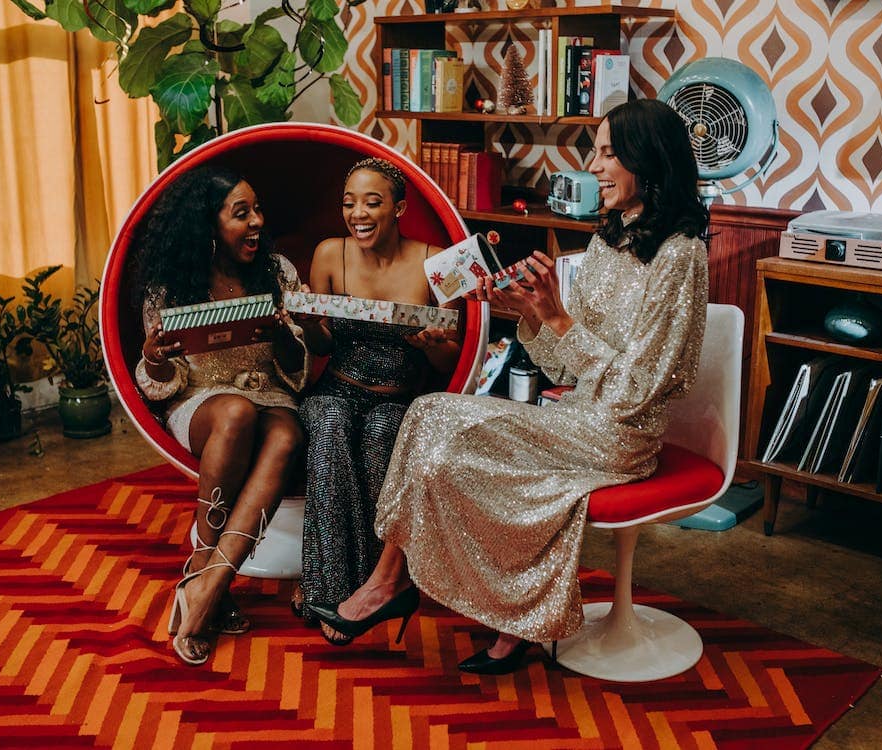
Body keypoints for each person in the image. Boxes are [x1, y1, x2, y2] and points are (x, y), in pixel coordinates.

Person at [306, 98, 710, 674]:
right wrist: (528, 313)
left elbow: (639, 389)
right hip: (577, 414)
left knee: (444, 431)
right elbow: (565, 371)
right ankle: (395, 580)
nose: (593, 166)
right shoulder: (609, 239)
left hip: (622, 437)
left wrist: (562, 320)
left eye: (608, 153)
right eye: (595, 150)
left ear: (650, 161)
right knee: (426, 413)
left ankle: (430, 595)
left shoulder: (681, 256)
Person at [133, 165, 308, 666]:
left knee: (285, 436)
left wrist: (280, 337)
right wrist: (153, 357)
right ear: (209, 226)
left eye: (257, 210)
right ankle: (203, 574)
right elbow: (160, 383)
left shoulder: (277, 272)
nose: (256, 222)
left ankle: (209, 586)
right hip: (203, 402)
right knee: (235, 414)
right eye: (240, 213)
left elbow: (296, 369)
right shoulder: (172, 285)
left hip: (271, 393)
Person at [293, 157, 462, 645]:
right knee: (328, 420)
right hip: (338, 388)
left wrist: (435, 344)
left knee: (384, 431)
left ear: (400, 208)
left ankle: (375, 587)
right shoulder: (329, 254)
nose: (357, 213)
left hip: (400, 398)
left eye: (372, 201)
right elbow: (323, 345)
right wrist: (308, 324)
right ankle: (325, 584)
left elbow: (455, 364)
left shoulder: (441, 261)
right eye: (349, 203)